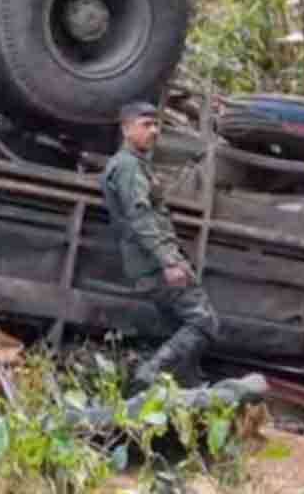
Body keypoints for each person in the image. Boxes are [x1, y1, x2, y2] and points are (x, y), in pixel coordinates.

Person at [101, 102, 219, 393]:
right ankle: (148, 375)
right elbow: (140, 217)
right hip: (153, 263)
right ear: (127, 129)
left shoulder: (135, 165)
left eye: (156, 124)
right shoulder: (128, 167)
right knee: (204, 322)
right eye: (145, 124)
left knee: (178, 328)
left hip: (153, 260)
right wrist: (168, 261)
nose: (154, 130)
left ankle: (186, 386)